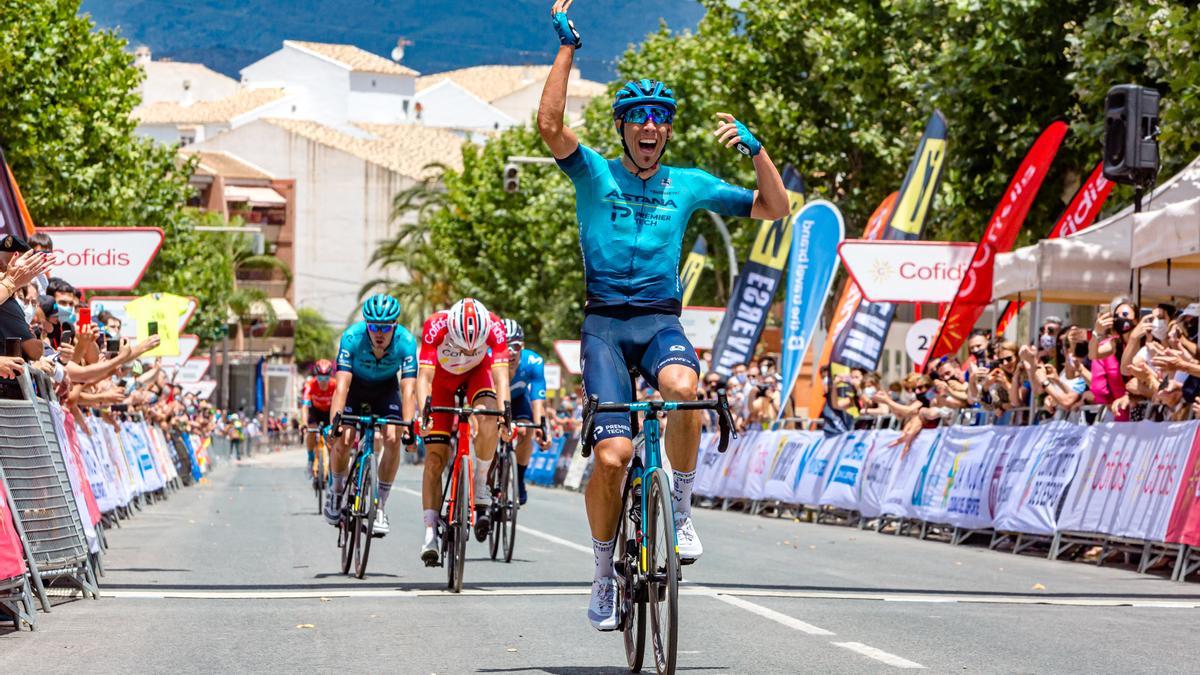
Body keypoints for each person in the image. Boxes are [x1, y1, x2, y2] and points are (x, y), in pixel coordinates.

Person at [538, 0, 790, 631]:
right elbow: (548, 126)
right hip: (603, 327)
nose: (650, 127)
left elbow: (775, 207)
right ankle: (601, 577)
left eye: (660, 119)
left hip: (659, 323)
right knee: (613, 458)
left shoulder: (690, 182)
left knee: (684, 390)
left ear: (667, 131)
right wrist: (567, 47)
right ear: (622, 127)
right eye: (638, 118)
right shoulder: (594, 174)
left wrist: (758, 151)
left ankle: (679, 509)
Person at [415, 298, 511, 564]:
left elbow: (501, 379)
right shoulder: (435, 325)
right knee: (435, 459)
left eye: (474, 347)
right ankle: (430, 532)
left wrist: (507, 416)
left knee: (490, 416)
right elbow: (424, 379)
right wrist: (424, 414)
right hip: (442, 383)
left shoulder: (495, 326)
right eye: (462, 346)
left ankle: (480, 484)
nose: (468, 351)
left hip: (475, 376)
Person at [324, 294, 419, 539]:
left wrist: (409, 428)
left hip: (386, 390)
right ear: (366, 325)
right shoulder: (352, 338)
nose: (379, 332)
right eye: (374, 326)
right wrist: (334, 423)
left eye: (385, 327)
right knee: (344, 438)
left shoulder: (406, 342)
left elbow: (408, 389)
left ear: (394, 325)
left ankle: (380, 508)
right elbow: (342, 386)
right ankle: (336, 492)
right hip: (355, 388)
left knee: (392, 436)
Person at [503, 318, 550, 505]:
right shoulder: (490, 359)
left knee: (526, 429)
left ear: (522, 345)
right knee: (492, 434)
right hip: (496, 400)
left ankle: (519, 479)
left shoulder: (533, 361)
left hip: (520, 400)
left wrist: (541, 427)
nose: (510, 352)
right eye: (505, 346)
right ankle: (486, 484)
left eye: (515, 346)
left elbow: (538, 399)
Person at [301, 359, 336, 477]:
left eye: (326, 378)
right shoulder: (310, 384)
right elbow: (305, 407)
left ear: (330, 377)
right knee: (311, 430)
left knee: (331, 443)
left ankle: (332, 471)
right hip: (315, 412)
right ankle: (310, 459)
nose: (323, 381)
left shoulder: (334, 385)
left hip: (329, 412)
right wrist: (304, 423)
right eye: (320, 378)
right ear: (316, 377)